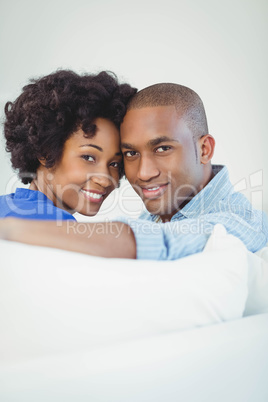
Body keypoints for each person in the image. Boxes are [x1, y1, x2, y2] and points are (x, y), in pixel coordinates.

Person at [0, 82, 267, 259]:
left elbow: (167, 242)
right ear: (46, 154)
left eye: (162, 148)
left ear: (205, 149)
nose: (143, 173)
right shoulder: (45, 223)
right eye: (131, 154)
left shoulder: (242, 221)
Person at [0, 70, 136, 220]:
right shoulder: (57, 225)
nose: (104, 180)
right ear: (46, 153)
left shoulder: (6, 205)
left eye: (115, 164)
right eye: (88, 157)